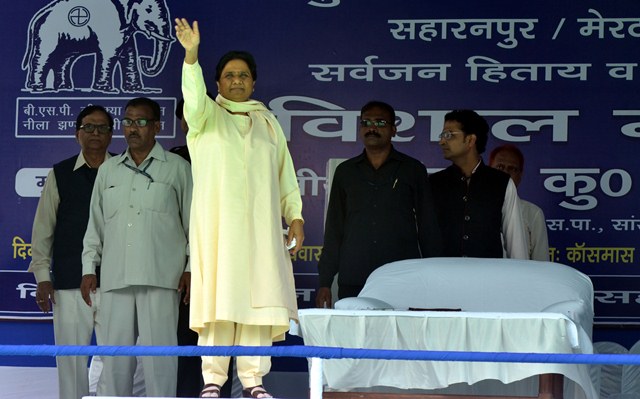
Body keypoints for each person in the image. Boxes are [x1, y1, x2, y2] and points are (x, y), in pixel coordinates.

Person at [176, 18, 304, 399]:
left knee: (259, 300)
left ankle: (253, 381)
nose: (236, 81)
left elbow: (286, 175)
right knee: (219, 300)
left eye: (243, 75)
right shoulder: (203, 119)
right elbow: (193, 98)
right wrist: (192, 56)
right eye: (229, 75)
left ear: (253, 82)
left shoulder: (268, 122)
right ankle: (213, 379)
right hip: (217, 230)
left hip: (261, 232)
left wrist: (294, 215)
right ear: (217, 83)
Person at [81, 97, 192, 397]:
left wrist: (191, 268)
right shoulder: (109, 170)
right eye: (128, 121)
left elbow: (193, 224)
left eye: (141, 122)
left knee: (160, 362)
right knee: (115, 360)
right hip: (116, 278)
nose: (133, 128)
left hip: (161, 278)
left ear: (157, 127)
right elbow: (96, 224)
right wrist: (89, 267)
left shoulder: (178, 169)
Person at [315, 101, 443, 308]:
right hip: (354, 276)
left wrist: (435, 277)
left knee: (400, 337)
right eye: (366, 122)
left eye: (380, 122)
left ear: (393, 129)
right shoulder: (346, 172)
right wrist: (325, 283)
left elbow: (428, 227)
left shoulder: (412, 169)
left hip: (402, 276)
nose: (372, 128)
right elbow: (334, 229)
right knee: (354, 338)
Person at [28, 105, 113, 399]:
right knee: (71, 360)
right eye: (88, 127)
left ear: (112, 134)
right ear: (77, 133)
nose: (95, 133)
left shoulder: (124, 170)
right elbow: (43, 230)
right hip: (68, 282)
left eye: (102, 127)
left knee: (116, 362)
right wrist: (42, 276)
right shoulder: (60, 174)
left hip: (117, 283)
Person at [171, 97, 235, 398]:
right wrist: (187, 264)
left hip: (224, 258)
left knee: (223, 334)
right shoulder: (173, 160)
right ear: (181, 123)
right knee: (187, 338)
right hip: (186, 264)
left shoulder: (231, 151)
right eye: (186, 115)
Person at [429, 109, 528, 259]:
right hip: (442, 278)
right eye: (442, 136)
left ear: (470, 140)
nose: (442, 141)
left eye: (448, 135)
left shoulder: (501, 182)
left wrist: (519, 279)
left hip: (489, 278)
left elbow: (516, 244)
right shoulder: (433, 183)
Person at [489, 144, 550, 261]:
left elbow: (541, 264)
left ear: (520, 175)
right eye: (500, 167)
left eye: (512, 169)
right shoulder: (473, 209)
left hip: (521, 278)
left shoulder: (533, 213)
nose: (505, 174)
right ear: (488, 172)